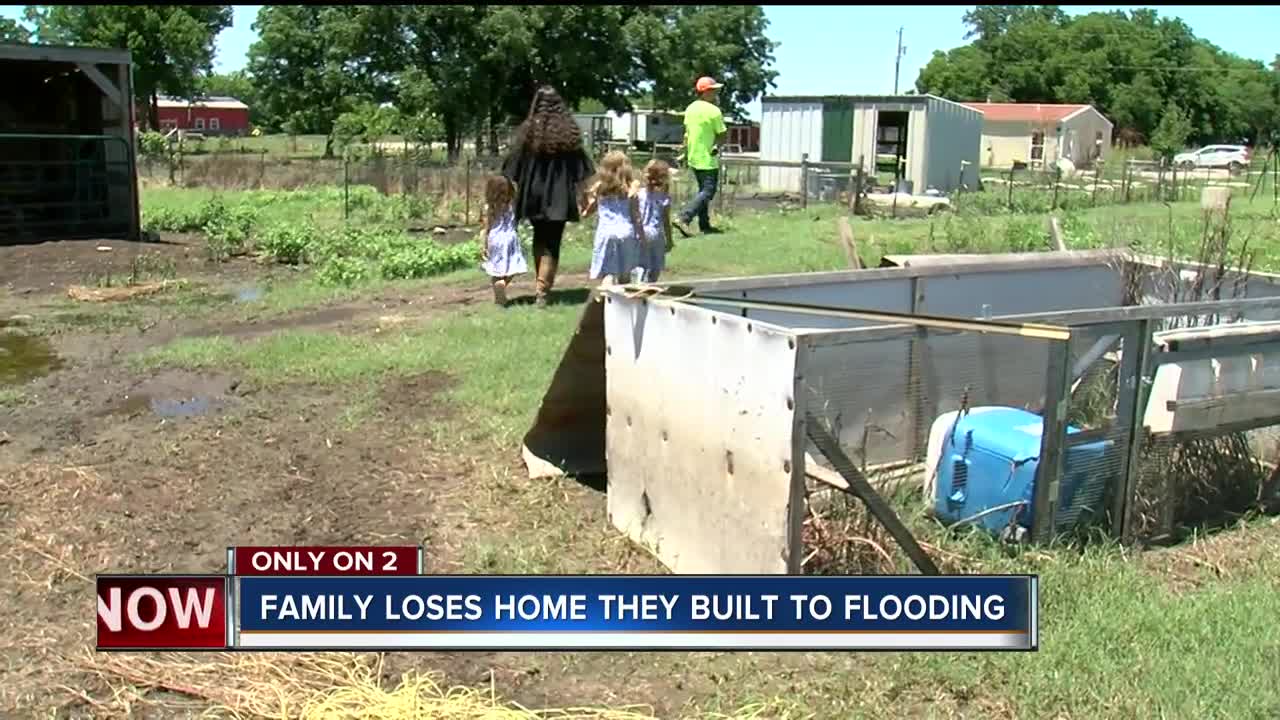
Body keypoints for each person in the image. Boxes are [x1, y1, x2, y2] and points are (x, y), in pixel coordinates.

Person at [502, 85, 595, 308]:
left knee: (539, 239)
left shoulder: (527, 132)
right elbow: (581, 171)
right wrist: (585, 196)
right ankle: (542, 290)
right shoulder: (568, 133)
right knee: (552, 243)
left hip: (533, 194)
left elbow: (511, 168)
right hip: (560, 197)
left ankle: (540, 286)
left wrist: (508, 197)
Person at [674, 76, 728, 237]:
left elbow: (687, 133)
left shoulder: (690, 108)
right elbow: (722, 134)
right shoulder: (714, 111)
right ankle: (684, 217)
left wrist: (683, 151)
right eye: (714, 90)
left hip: (693, 156)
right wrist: (717, 146)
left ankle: (704, 225)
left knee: (702, 191)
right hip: (707, 157)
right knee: (708, 191)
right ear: (706, 92)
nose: (716, 93)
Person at [580, 150, 642, 286]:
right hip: (626, 231)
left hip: (606, 233)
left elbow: (588, 210)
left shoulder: (599, 187)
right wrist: (641, 235)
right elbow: (636, 214)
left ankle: (606, 301)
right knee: (625, 273)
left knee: (608, 273)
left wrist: (584, 211)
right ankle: (624, 304)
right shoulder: (632, 186)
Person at [479, 175, 527, 307]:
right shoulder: (512, 204)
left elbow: (486, 228)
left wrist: (483, 245)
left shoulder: (488, 207)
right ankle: (502, 290)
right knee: (512, 267)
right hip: (511, 238)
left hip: (495, 239)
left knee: (496, 270)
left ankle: (500, 290)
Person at [634, 159, 674, 283]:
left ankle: (639, 284)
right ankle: (649, 285)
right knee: (655, 266)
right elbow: (666, 221)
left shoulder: (639, 194)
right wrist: (670, 240)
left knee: (641, 263)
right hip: (655, 233)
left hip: (639, 232)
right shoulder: (664, 198)